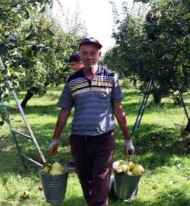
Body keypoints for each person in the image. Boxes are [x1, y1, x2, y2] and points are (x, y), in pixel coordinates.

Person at [48, 37, 135, 206]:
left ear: (99, 55)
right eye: (85, 53)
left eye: (93, 53)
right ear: (79, 55)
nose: (89, 57)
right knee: (86, 180)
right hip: (79, 139)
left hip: (104, 138)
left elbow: (119, 110)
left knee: (101, 179)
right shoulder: (73, 81)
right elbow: (65, 110)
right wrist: (55, 139)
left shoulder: (110, 77)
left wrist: (128, 140)